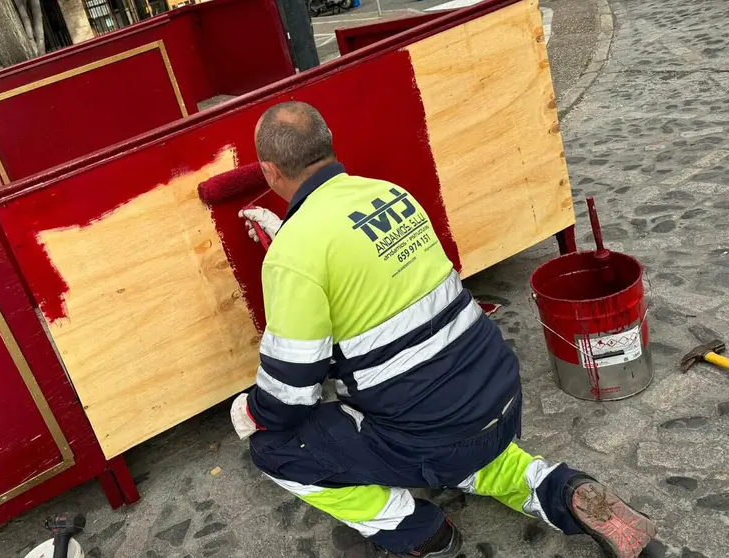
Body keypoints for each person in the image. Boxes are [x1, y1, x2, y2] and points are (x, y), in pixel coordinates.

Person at [230, 101, 657, 558]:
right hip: (499, 398)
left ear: (269, 170)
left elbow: (291, 392)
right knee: (471, 451)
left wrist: (253, 413)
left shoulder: (296, 253)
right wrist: (291, 241)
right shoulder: (391, 195)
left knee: (275, 447)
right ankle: (562, 491)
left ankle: (417, 530)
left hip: (431, 433)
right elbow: (368, 282)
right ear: (329, 144)